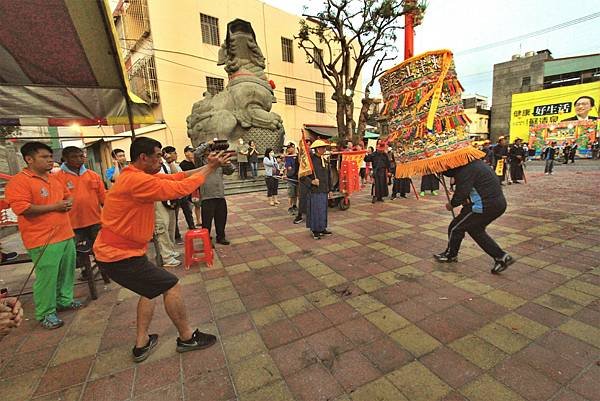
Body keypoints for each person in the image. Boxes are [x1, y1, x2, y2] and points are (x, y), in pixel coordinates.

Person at [93, 137, 230, 362]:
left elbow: (177, 176)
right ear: (143, 157)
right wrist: (212, 167)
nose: (162, 159)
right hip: (119, 255)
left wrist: (209, 165)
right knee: (171, 285)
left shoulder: (137, 175)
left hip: (121, 252)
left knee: (149, 291)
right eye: (157, 156)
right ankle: (187, 337)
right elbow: (180, 188)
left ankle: (141, 343)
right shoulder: (136, 181)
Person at [5, 142, 82, 329]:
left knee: (67, 271)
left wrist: (68, 202)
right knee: (47, 276)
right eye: (44, 157)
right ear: (29, 159)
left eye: (50, 157)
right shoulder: (19, 181)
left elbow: (67, 195)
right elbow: (22, 208)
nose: (50, 160)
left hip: (65, 233)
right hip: (42, 238)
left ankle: (64, 299)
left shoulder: (53, 178)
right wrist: (55, 207)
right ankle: (46, 312)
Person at [434, 159, 513, 274]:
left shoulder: (465, 171)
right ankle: (501, 257)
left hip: (484, 206)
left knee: (456, 228)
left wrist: (452, 204)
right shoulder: (474, 164)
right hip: (495, 204)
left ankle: (450, 255)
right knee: (475, 230)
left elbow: (462, 193)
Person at [55, 147, 106, 278]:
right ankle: (84, 270)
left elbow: (103, 198)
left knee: (100, 249)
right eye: (74, 157)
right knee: (74, 253)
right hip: (72, 224)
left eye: (81, 156)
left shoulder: (92, 175)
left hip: (95, 220)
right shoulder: (57, 178)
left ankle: (105, 270)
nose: (79, 159)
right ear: (65, 159)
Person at [196, 142, 234, 245]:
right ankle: (206, 240)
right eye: (208, 150)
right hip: (207, 197)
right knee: (207, 222)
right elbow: (197, 153)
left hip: (220, 195)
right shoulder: (201, 162)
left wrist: (225, 160)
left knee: (221, 218)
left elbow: (231, 170)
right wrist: (208, 143)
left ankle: (221, 237)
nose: (211, 152)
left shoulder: (218, 162)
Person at [303, 140, 333, 240]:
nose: (324, 149)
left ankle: (322, 228)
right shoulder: (310, 161)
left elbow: (329, 176)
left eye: (324, 147)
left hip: (324, 189)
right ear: (317, 149)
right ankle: (315, 230)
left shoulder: (325, 160)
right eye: (322, 148)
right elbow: (302, 176)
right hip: (314, 190)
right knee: (315, 210)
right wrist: (311, 181)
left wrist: (330, 189)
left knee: (323, 210)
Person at [180, 146, 201, 227]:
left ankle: (199, 220)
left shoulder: (196, 162)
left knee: (198, 204)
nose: (192, 153)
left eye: (193, 151)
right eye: (190, 151)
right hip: (187, 187)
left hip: (196, 186)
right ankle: (191, 223)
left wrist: (193, 161)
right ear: (185, 153)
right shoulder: (182, 164)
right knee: (189, 206)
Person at [294, 138, 312, 224]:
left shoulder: (311, 155)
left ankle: (310, 214)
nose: (306, 146)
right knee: (302, 198)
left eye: (308, 145)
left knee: (311, 198)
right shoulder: (300, 155)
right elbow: (297, 167)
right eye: (304, 144)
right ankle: (300, 215)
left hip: (311, 179)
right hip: (302, 179)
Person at [285, 144, 298, 214]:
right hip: (291, 178)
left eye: (290, 148)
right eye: (288, 148)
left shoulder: (297, 156)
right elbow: (288, 167)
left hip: (297, 177)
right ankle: (290, 207)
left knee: (296, 193)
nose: (289, 149)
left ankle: (295, 205)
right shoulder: (288, 157)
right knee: (291, 193)